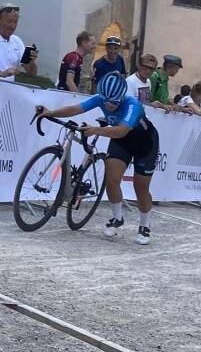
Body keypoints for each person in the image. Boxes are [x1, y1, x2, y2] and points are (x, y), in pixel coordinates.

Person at [36, 71, 160, 245]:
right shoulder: (100, 98)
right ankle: (117, 218)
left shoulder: (133, 104)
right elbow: (75, 109)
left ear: (122, 97)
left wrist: (95, 130)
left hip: (144, 143)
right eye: (106, 101)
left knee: (140, 188)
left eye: (114, 102)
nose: (109, 105)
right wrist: (51, 112)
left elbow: (121, 130)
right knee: (111, 181)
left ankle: (145, 224)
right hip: (122, 142)